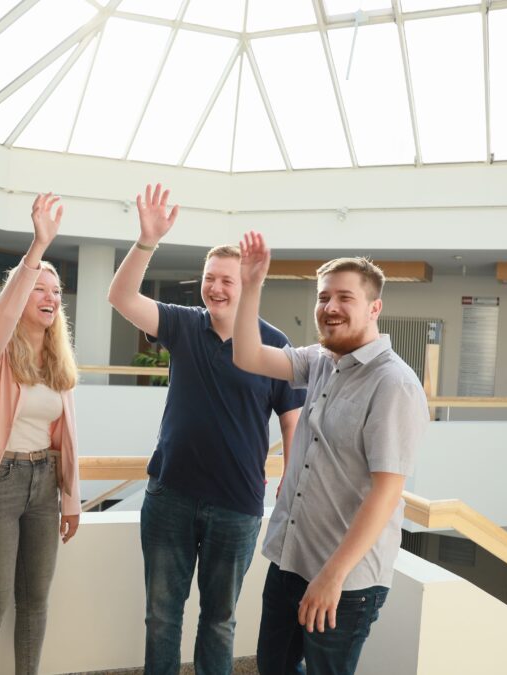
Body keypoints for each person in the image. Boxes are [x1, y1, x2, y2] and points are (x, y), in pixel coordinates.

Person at [108, 184, 304, 675]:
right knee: (161, 618)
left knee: (219, 621)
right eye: (209, 278)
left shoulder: (274, 344)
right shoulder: (181, 324)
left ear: (246, 285)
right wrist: (147, 240)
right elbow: (121, 297)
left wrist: (293, 482)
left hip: (237, 506)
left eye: (227, 281)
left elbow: (293, 422)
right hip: (170, 495)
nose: (215, 288)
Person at [231, 231, 429, 675]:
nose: (330, 308)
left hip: (346, 580)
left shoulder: (393, 384)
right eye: (323, 298)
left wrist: (333, 577)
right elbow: (246, 356)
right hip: (291, 559)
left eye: (345, 297)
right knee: (273, 668)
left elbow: (386, 493)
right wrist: (252, 284)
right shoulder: (322, 359)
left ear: (374, 308)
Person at [0, 193, 81, 675]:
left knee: (35, 601)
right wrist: (37, 248)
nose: (50, 297)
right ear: (18, 297)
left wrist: (71, 498)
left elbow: (66, 438)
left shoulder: (58, 359)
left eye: (55, 291)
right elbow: (2, 317)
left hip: (44, 483)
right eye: (39, 289)